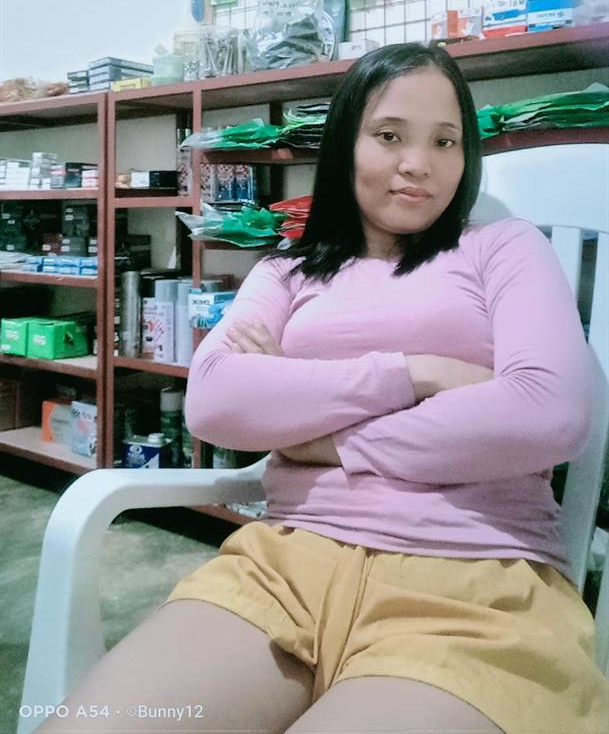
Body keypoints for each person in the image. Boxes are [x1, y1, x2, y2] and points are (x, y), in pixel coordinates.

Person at [40, 43, 608, 734]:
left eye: (445, 141)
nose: (418, 163)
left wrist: (320, 437)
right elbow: (216, 400)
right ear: (344, 146)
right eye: (389, 136)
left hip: (474, 582)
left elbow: (546, 413)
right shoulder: (287, 271)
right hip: (282, 566)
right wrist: (417, 372)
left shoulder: (503, 247)